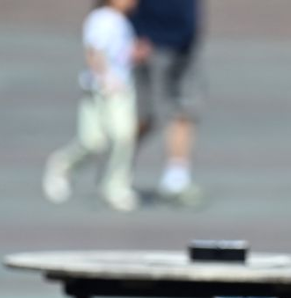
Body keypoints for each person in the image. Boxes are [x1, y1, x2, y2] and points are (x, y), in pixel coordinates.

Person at [43, 0, 142, 214]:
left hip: (122, 89)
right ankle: (62, 164)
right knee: (92, 142)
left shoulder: (123, 21)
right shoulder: (102, 18)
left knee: (124, 136)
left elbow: (121, 54)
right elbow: (93, 50)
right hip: (102, 89)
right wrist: (105, 78)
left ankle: (116, 188)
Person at [132, 0, 203, 204]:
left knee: (185, 109)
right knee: (146, 115)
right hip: (149, 39)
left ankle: (176, 178)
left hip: (185, 41)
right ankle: (118, 169)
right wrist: (133, 31)